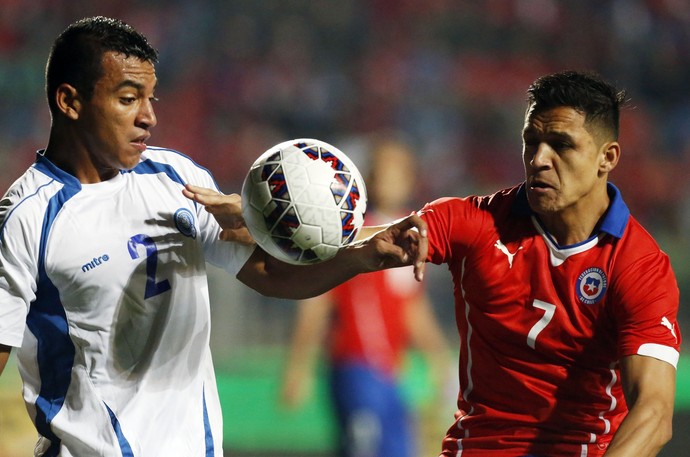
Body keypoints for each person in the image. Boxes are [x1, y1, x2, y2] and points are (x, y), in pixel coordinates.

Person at [0, 17, 423, 457]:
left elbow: (270, 273)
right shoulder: (27, 219)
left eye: (151, 98)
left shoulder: (175, 178)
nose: (149, 117)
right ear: (70, 101)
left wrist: (363, 254)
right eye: (128, 99)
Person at [201, 71, 681, 456]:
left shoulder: (639, 267)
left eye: (561, 144)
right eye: (530, 141)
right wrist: (261, 221)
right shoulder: (474, 222)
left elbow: (654, 414)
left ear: (607, 158)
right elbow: (335, 249)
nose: (539, 159)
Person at [280, 136, 450, 457]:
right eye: (384, 172)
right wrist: (298, 365)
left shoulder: (409, 240)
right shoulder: (354, 236)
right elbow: (318, 300)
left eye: (399, 172)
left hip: (390, 373)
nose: (391, 180)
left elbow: (411, 306)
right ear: (370, 179)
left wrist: (438, 357)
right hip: (354, 367)